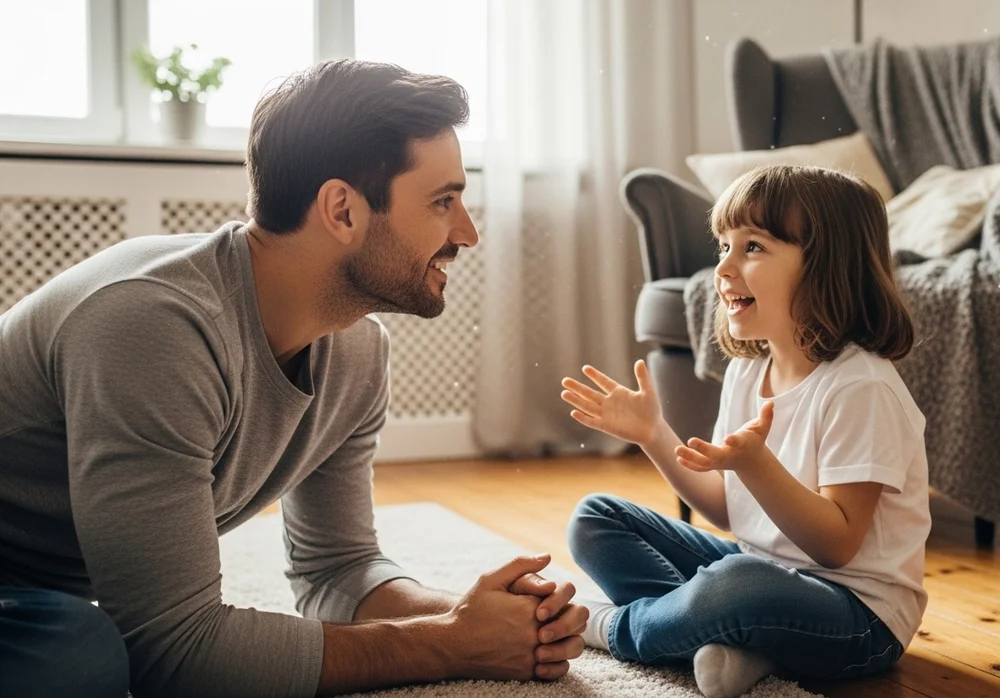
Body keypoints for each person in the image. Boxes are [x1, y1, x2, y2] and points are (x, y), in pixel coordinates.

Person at [0, 60, 586, 697]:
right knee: (78, 658)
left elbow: (338, 569)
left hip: (33, 590)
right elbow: (176, 655)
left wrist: (485, 620)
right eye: (442, 201)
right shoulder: (155, 326)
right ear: (342, 210)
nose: (467, 233)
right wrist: (447, 645)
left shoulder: (356, 351)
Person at [560, 165, 931, 697]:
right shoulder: (747, 371)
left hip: (859, 617)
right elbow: (727, 511)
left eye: (752, 247)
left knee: (736, 584)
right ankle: (735, 645)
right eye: (723, 246)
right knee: (596, 518)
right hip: (759, 574)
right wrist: (654, 434)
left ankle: (613, 627)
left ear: (827, 265)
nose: (723, 268)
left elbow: (837, 546)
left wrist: (758, 466)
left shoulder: (862, 387)